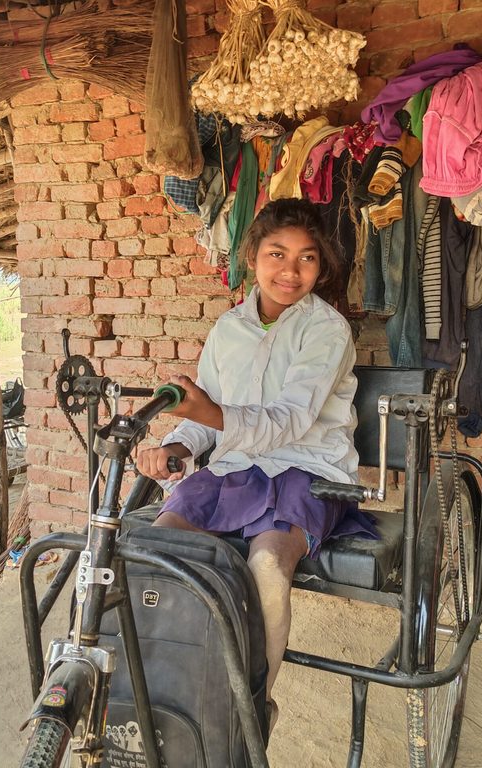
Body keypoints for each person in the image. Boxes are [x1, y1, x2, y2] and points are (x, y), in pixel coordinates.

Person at [135, 198, 378, 726]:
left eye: (307, 258)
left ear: (322, 265)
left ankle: (250, 706)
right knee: (159, 549)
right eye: (276, 254)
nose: (290, 271)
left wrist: (211, 412)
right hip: (233, 470)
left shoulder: (327, 330)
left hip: (307, 470)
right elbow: (204, 421)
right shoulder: (228, 329)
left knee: (267, 566)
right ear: (252, 256)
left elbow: (289, 421)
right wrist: (176, 448)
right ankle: (168, 682)